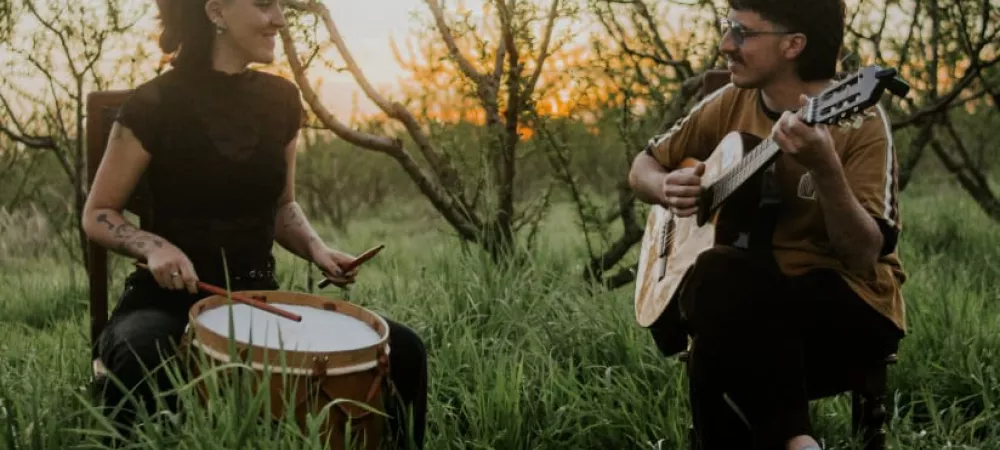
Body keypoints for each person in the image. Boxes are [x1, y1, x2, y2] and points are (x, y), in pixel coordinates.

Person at [82, 0, 427, 447]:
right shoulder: (153, 103)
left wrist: (317, 248)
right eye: (265, 4)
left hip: (258, 300)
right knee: (142, 356)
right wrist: (153, 246)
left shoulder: (281, 100)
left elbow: (283, 207)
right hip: (165, 305)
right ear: (216, 11)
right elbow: (98, 212)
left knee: (404, 350)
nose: (280, 19)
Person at [627, 1, 906, 449]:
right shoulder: (730, 101)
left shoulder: (861, 122)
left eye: (742, 32)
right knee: (721, 285)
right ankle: (798, 442)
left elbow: (862, 255)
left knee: (719, 319)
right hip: (745, 295)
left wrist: (825, 168)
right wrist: (665, 188)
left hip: (845, 302)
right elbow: (643, 165)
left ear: (793, 44)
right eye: (727, 28)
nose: (725, 45)